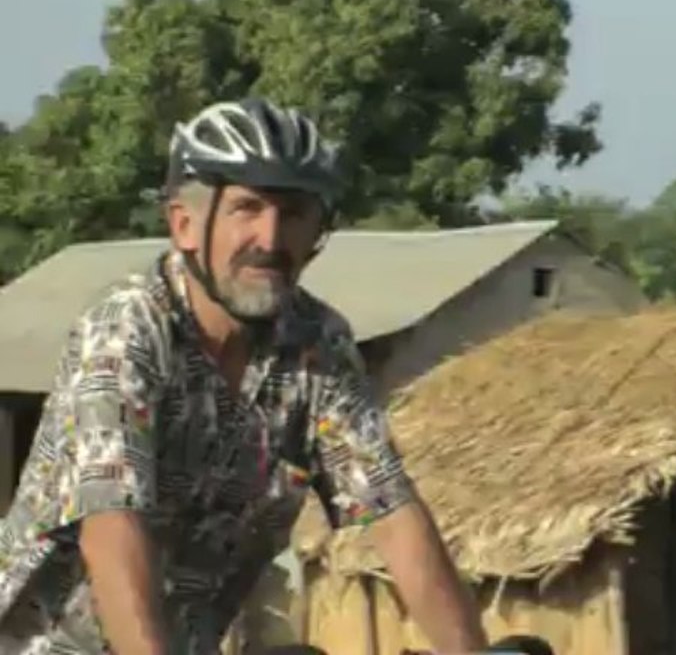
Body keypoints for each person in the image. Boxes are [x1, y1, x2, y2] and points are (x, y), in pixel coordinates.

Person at [0, 98, 488, 654]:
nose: (271, 239)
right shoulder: (126, 330)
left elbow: (392, 514)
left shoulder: (317, 344)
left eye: (294, 213)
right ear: (185, 225)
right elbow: (112, 525)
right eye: (246, 208)